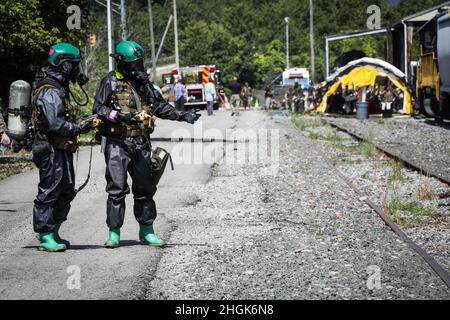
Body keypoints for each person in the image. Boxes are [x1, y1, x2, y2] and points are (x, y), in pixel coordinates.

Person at [93, 41, 201, 249]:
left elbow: (160, 106)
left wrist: (183, 115)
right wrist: (120, 116)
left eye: (140, 63)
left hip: (141, 142)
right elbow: (98, 108)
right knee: (117, 189)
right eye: (134, 64)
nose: (138, 67)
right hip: (117, 143)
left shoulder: (144, 84)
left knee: (145, 188)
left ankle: (147, 231)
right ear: (123, 64)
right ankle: (114, 233)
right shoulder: (111, 82)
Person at [32, 43, 94, 252]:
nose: (77, 69)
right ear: (64, 64)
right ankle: (45, 235)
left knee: (66, 189)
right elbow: (54, 123)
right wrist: (80, 128)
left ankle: (54, 231)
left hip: (61, 147)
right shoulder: (50, 90)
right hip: (48, 148)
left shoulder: (60, 87)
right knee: (50, 189)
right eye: (74, 64)